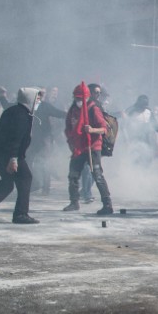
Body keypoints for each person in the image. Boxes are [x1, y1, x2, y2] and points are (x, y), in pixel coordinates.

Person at [0, 86, 41, 224]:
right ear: (30, 99)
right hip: (5, 152)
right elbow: (15, 138)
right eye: (37, 98)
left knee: (7, 182)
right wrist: (13, 159)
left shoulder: (18, 111)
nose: (38, 101)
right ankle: (20, 214)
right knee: (25, 177)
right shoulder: (21, 115)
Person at [63, 81, 113, 215]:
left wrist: (92, 130)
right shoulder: (73, 110)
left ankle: (107, 204)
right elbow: (68, 127)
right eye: (77, 98)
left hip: (92, 146)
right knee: (73, 175)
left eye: (81, 98)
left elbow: (104, 129)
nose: (79, 101)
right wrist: (70, 141)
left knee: (97, 175)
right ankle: (74, 202)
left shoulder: (93, 108)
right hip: (78, 147)